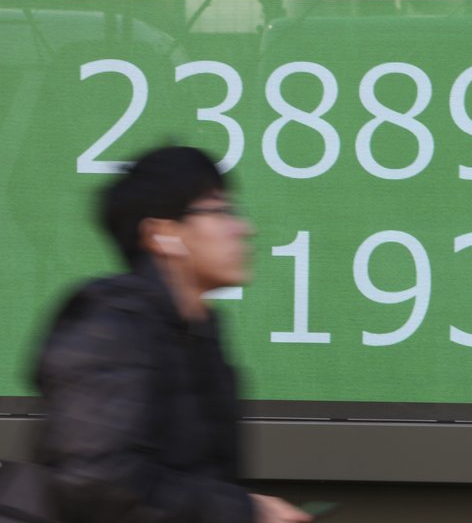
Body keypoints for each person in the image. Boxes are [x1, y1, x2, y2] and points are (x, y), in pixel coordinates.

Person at [33, 146, 312, 523]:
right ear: (163, 234)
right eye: (220, 211)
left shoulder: (199, 329)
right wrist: (247, 511)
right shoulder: (108, 328)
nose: (244, 228)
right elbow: (97, 480)